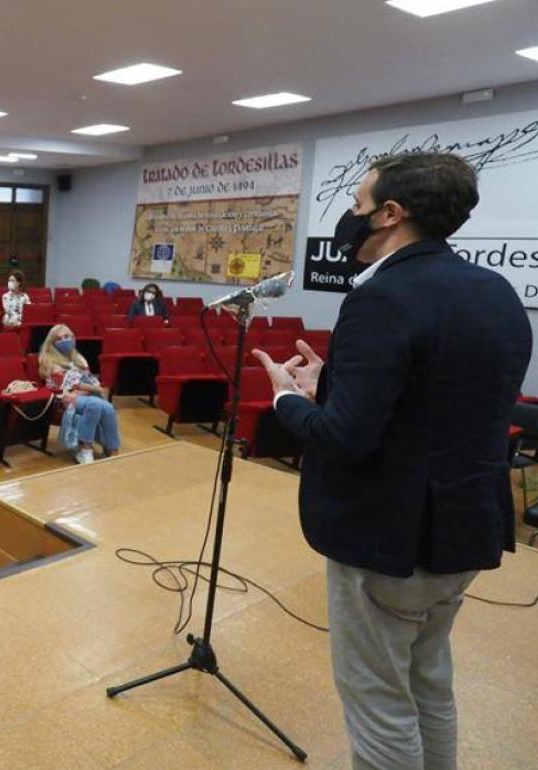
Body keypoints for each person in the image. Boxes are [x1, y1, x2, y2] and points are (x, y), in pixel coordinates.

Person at [253, 152, 531, 770]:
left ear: (390, 213)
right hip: (465, 531)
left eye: (355, 206)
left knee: (379, 705)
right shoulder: (495, 293)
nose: (348, 219)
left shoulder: (384, 298)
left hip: (391, 540)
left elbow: (346, 438)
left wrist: (285, 399)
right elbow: (439, 397)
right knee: (429, 684)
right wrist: (338, 381)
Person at [38, 324, 120, 464]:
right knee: (94, 404)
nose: (64, 340)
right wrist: (96, 389)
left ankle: (112, 448)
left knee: (107, 407)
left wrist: (91, 389)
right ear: (52, 343)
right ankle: (85, 449)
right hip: (60, 398)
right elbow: (69, 385)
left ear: (73, 338)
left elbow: (89, 379)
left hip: (82, 394)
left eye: (66, 336)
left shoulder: (79, 358)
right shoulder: (48, 360)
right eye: (59, 339)